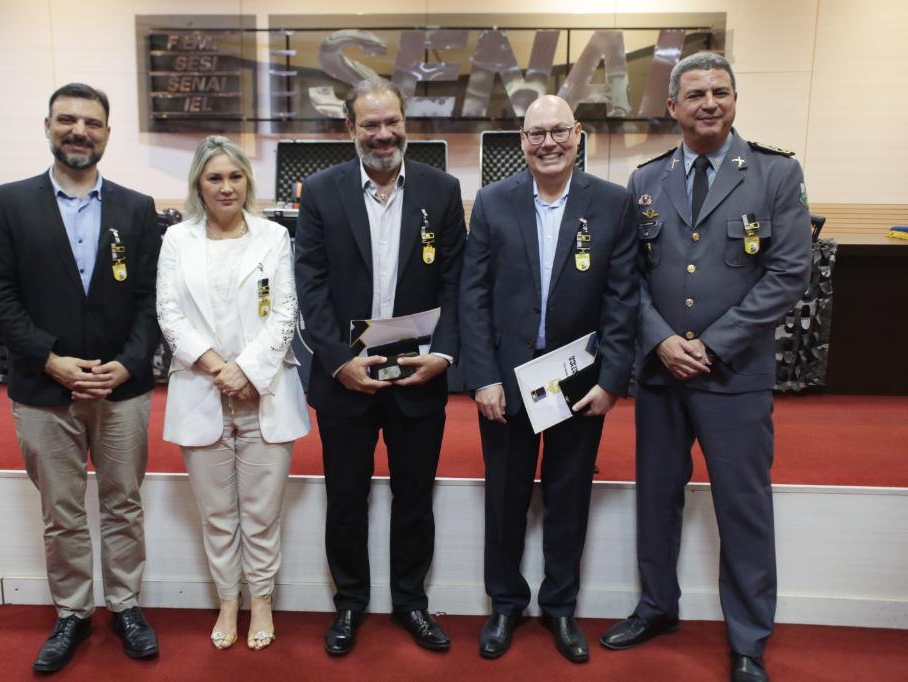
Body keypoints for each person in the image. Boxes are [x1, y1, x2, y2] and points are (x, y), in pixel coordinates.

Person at [598, 52, 812, 682]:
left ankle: (748, 638)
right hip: (661, 374)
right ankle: (657, 607)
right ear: (673, 107)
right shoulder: (646, 179)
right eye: (695, 94)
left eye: (721, 91)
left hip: (734, 376)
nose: (710, 103)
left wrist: (714, 345)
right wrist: (661, 340)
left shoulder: (775, 173)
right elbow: (628, 277)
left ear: (735, 99)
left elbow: (788, 273)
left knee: (743, 508)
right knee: (657, 498)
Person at [0, 83, 161, 672]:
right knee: (62, 513)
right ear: (48, 126)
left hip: (121, 389)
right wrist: (49, 358)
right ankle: (73, 613)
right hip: (43, 388)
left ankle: (126, 605)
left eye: (92, 122)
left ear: (107, 132)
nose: (79, 131)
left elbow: (151, 299)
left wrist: (128, 363)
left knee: (124, 504)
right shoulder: (7, 203)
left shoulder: (137, 207)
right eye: (67, 120)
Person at [459, 95, 638, 662]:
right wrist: (483, 377)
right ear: (522, 141)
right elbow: (473, 296)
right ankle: (505, 605)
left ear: (578, 134)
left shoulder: (612, 203)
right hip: (507, 384)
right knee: (505, 499)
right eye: (537, 133)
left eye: (560, 131)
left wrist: (612, 380)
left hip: (579, 383)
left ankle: (560, 607)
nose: (549, 143)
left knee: (569, 497)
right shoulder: (493, 201)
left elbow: (622, 298)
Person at [294, 77, 466, 656]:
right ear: (351, 129)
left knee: (414, 498)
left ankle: (411, 602)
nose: (383, 134)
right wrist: (339, 361)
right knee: (346, 498)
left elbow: (456, 281)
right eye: (370, 124)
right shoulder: (321, 192)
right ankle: (349, 603)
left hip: (419, 373)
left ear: (405, 124)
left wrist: (443, 354)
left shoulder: (442, 191)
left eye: (392, 122)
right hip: (346, 379)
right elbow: (310, 285)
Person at [156, 135, 310, 651]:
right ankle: (228, 599)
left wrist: (244, 370)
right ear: (199, 184)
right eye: (215, 177)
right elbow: (168, 313)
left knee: (262, 513)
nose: (226, 187)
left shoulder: (273, 236)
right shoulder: (177, 239)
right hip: (201, 389)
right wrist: (218, 368)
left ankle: (260, 598)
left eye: (235, 176)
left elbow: (285, 311)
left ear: (248, 181)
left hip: (265, 391)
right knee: (217, 514)